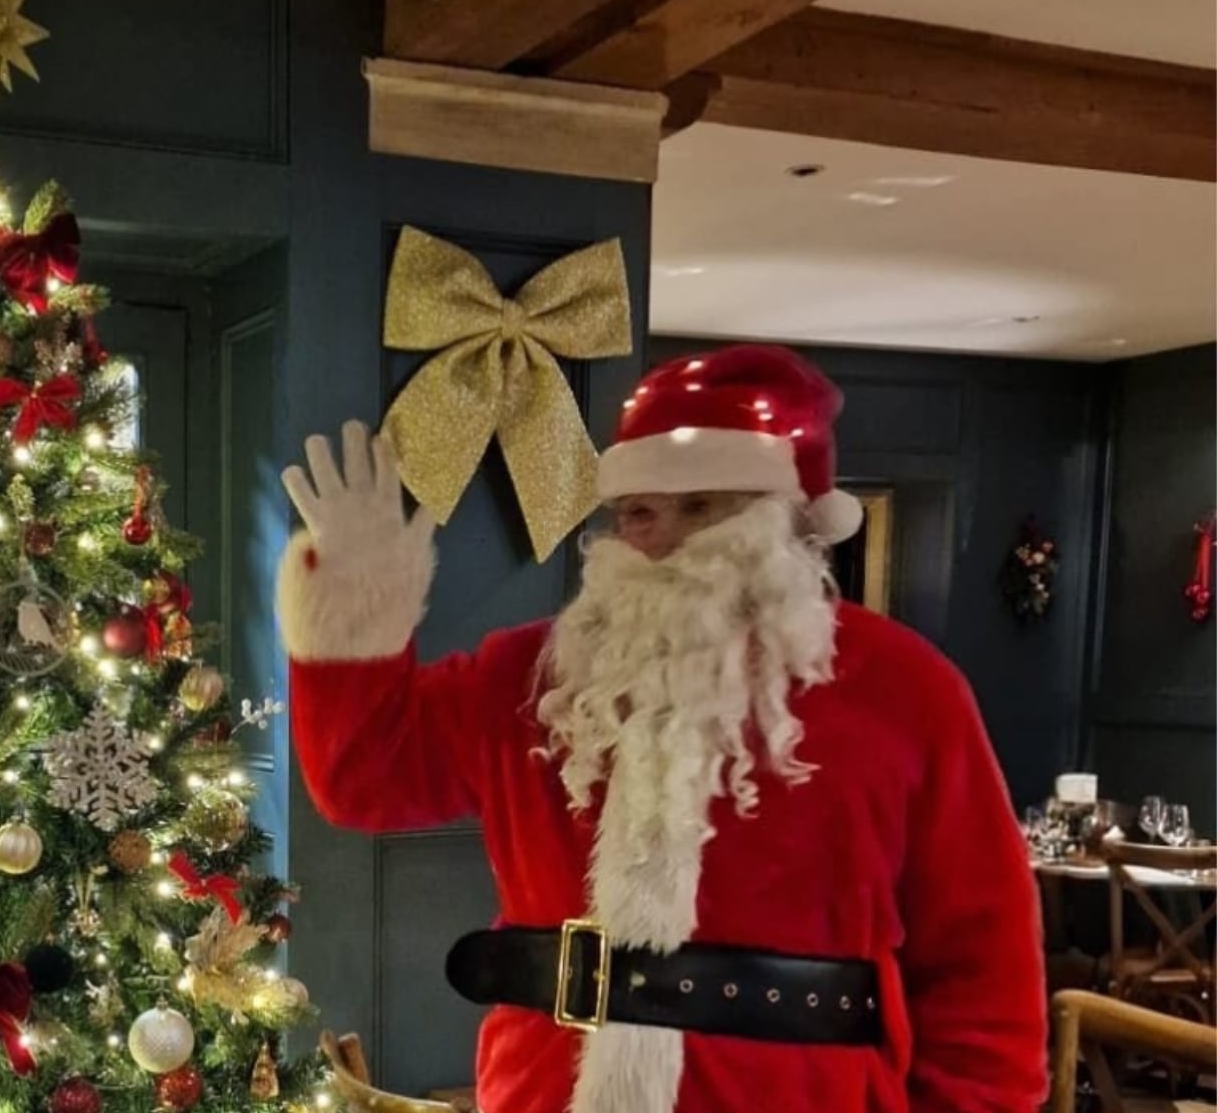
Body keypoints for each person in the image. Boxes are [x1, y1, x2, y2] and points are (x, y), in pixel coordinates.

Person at [277, 345, 1045, 1113]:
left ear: (785, 520)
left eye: (702, 509)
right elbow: (365, 779)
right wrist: (355, 608)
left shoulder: (905, 689)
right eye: (638, 512)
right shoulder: (534, 676)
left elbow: (985, 972)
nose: (657, 541)